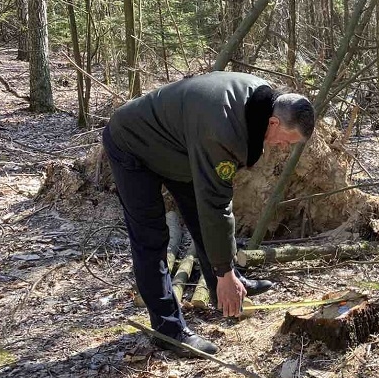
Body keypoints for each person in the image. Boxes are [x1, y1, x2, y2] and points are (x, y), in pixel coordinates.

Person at [102, 71, 315, 356]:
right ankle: (168, 330)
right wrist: (225, 270)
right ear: (274, 122)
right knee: (151, 238)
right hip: (132, 143)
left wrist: (226, 272)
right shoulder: (223, 132)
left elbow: (210, 209)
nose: (284, 148)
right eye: (287, 141)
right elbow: (216, 205)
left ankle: (221, 286)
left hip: (178, 147)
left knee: (199, 215)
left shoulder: (261, 101)